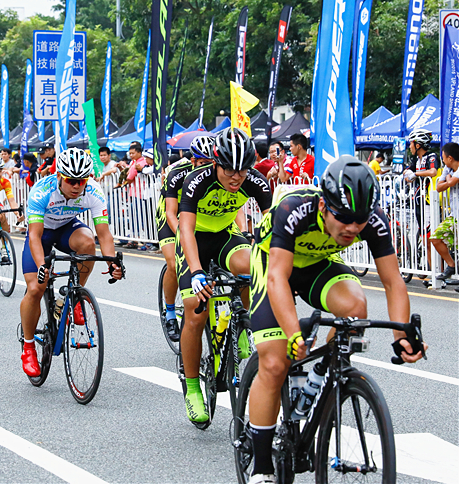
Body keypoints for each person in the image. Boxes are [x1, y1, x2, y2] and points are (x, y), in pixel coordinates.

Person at [244, 156, 427, 484]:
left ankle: (319, 376)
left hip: (317, 263)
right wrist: (291, 334)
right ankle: (261, 467)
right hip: (274, 264)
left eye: (360, 221)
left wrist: (401, 334)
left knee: (356, 308)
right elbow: (277, 279)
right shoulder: (293, 210)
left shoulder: (374, 221)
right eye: (343, 219)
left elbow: (393, 281)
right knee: (274, 363)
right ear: (324, 206)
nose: (353, 228)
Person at [177, 128, 272, 423]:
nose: (236, 177)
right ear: (216, 163)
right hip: (195, 243)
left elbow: (273, 229)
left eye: (242, 170)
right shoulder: (197, 181)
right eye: (229, 169)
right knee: (195, 313)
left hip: (225, 237)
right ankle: (193, 387)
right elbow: (186, 231)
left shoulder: (256, 182)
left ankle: (242, 320)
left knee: (254, 266)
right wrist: (195, 272)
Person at [18, 148, 124, 377]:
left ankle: (72, 296)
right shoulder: (41, 191)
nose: (77, 186)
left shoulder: (93, 192)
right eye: (71, 181)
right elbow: (34, 236)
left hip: (66, 228)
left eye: (82, 181)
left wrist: (112, 263)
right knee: (36, 288)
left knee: (88, 244)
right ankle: (28, 347)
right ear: (59, 177)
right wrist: (42, 267)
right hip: (42, 234)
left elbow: (104, 235)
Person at [156, 136, 215, 341]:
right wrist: (182, 239)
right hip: (171, 215)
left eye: (211, 163)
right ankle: (170, 311)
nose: (208, 168)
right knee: (174, 263)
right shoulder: (177, 172)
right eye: (203, 164)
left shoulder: (219, 172)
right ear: (193, 161)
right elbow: (171, 212)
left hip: (196, 217)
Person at [431, 142, 459, 280]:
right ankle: (451, 265)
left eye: (443, 157)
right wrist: (449, 180)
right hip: (454, 215)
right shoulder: (448, 170)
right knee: (435, 238)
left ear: (450, 158)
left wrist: (449, 181)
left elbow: (452, 183)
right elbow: (439, 187)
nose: (442, 159)